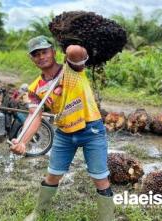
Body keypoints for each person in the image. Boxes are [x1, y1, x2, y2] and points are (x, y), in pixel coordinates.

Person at [10, 35, 114, 221]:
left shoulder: (72, 68)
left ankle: (107, 218)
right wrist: (23, 141)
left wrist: (71, 43)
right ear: (31, 58)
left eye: (44, 51)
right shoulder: (35, 89)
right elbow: (34, 117)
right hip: (64, 133)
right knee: (53, 175)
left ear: (54, 52)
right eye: (36, 54)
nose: (41, 56)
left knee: (100, 177)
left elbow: (76, 52)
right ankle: (38, 213)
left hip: (91, 130)